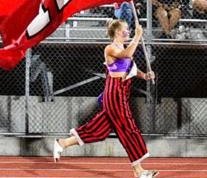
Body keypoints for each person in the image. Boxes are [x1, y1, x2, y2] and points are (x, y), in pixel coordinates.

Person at [53, 19, 158, 178]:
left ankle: (62, 143)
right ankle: (139, 171)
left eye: (129, 30)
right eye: (125, 30)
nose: (128, 32)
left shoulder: (124, 47)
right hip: (115, 93)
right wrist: (137, 37)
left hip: (122, 93)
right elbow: (126, 55)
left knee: (99, 130)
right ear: (117, 32)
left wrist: (145, 75)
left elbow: (132, 69)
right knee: (128, 129)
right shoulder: (110, 48)